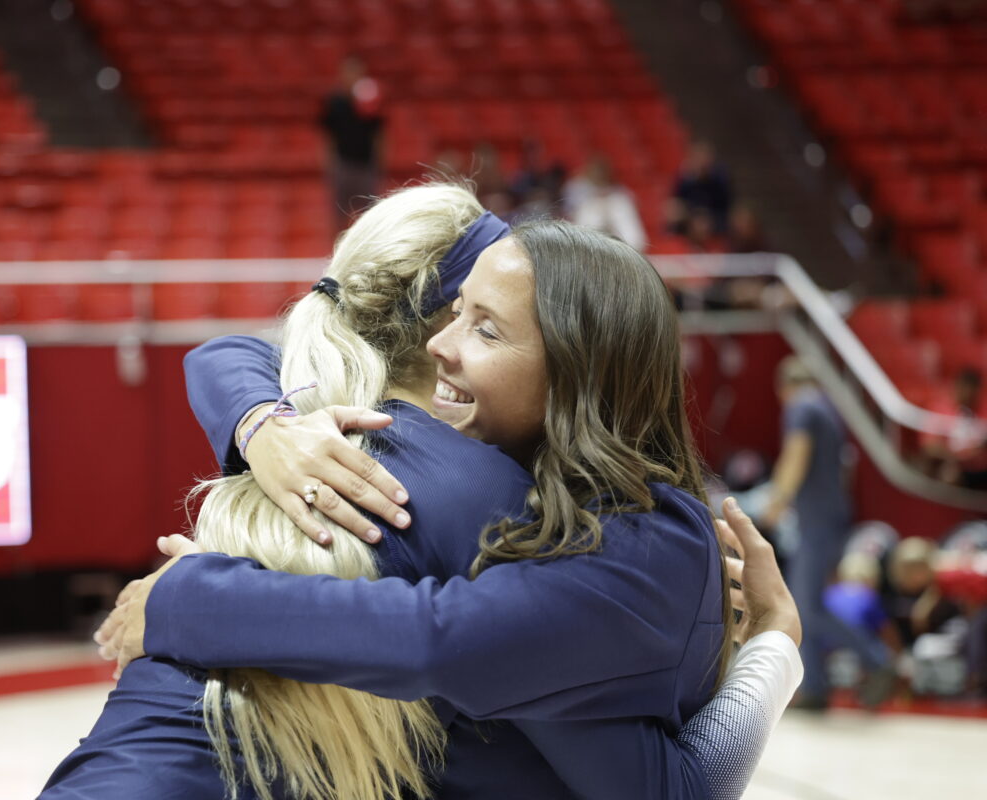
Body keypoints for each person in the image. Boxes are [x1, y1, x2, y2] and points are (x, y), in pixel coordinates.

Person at [91, 215, 804, 799]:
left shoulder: (644, 539)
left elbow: (440, 641)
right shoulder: (480, 482)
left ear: (579, 375)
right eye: (456, 313)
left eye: (486, 329)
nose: (442, 346)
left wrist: (194, 598)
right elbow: (227, 356)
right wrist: (266, 431)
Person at [764, 357, 893, 709]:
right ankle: (816, 686)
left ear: (784, 388)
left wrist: (777, 501)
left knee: (806, 607)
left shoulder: (802, 406)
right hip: (829, 517)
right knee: (809, 603)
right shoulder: (826, 410)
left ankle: (877, 661)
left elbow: (796, 453)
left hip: (817, 521)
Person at [318, 55, 384, 233]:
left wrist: (379, 163)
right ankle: (336, 252)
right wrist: (329, 163)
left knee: (369, 214)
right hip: (343, 164)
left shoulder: (371, 101)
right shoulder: (335, 102)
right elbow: (327, 135)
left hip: (366, 165)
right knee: (339, 213)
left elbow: (379, 134)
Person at [563, 155, 648, 252]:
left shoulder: (619, 192)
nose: (598, 173)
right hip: (586, 236)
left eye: (601, 170)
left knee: (620, 203)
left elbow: (634, 202)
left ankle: (626, 251)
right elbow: (571, 212)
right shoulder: (577, 188)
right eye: (595, 170)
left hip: (618, 239)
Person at [920, 368, 987, 489]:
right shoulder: (940, 409)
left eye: (972, 390)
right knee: (949, 474)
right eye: (964, 388)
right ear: (956, 386)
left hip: (981, 466)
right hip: (954, 464)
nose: (967, 393)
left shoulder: (983, 411)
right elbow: (930, 446)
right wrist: (958, 457)